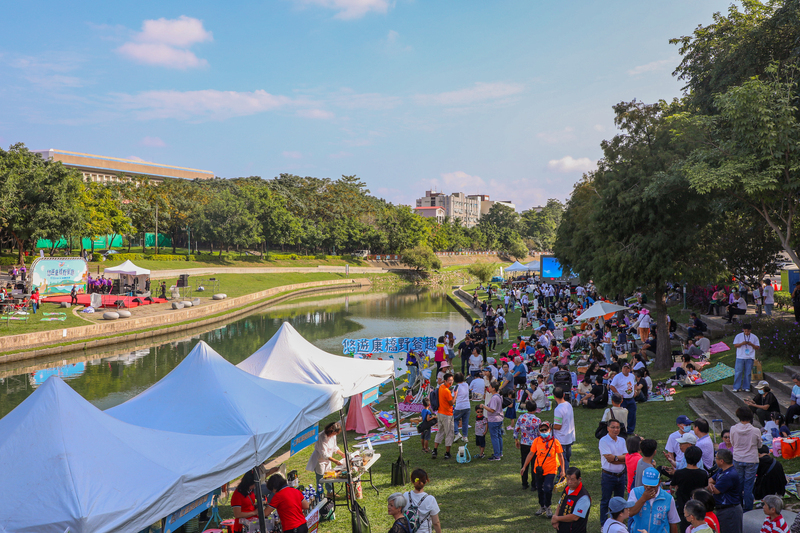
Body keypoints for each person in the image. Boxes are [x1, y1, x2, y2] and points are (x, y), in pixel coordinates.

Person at [521, 420, 565, 518]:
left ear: (550, 429)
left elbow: (561, 456)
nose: (544, 432)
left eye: (546, 429)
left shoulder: (555, 442)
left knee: (548, 488)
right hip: (539, 470)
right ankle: (542, 506)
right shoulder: (536, 441)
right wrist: (524, 466)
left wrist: (563, 470)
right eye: (542, 430)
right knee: (540, 489)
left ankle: (548, 506)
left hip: (551, 470)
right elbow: (531, 454)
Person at [628, 467, 681, 533]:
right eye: (646, 485)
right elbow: (630, 513)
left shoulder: (668, 498)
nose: (649, 488)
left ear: (659, 483)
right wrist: (643, 499)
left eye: (652, 486)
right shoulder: (635, 492)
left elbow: (673, 523)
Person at [671, 446, 709, 533]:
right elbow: (704, 488)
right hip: (698, 506)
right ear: (699, 459)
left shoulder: (679, 473)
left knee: (684, 526)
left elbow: (672, 486)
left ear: (685, 457)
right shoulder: (703, 474)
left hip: (683, 505)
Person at [729, 406, 760, 512]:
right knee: (748, 485)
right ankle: (748, 508)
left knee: (739, 483)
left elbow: (732, 443)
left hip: (738, 458)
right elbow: (759, 445)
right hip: (751, 459)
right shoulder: (755, 430)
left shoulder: (733, 429)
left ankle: (738, 505)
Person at [599, 418, 628, 525]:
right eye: (613, 427)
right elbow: (609, 459)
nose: (616, 430)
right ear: (608, 428)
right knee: (605, 501)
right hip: (608, 476)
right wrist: (620, 459)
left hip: (621, 475)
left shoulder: (622, 440)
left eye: (617, 427)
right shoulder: (603, 441)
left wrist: (615, 458)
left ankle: (618, 522)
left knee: (620, 501)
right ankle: (604, 524)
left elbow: (626, 458)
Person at [707, 449, 743, 533]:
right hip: (725, 510)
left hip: (730, 511)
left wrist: (711, 486)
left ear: (721, 461)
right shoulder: (722, 470)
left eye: (716, 458)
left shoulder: (729, 475)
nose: (715, 460)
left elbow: (715, 491)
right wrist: (711, 484)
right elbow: (710, 480)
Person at [306, 421, 346, 492]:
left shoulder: (333, 436)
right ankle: (320, 494)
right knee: (320, 478)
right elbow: (324, 454)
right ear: (331, 431)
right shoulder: (321, 438)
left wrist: (342, 454)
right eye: (334, 433)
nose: (335, 435)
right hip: (320, 460)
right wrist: (335, 461)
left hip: (328, 459)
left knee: (329, 475)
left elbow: (334, 447)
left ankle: (330, 492)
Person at [551, 467, 591, 533]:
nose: (569, 482)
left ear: (579, 479)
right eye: (568, 479)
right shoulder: (567, 488)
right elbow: (560, 504)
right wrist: (556, 517)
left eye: (572, 479)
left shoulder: (583, 497)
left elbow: (575, 517)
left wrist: (557, 518)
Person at [403, 469, 441, 533]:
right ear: (426, 481)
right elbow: (436, 522)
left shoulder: (405, 495)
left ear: (412, 481)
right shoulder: (430, 499)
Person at [514, 400, 541, 490]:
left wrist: (516, 440)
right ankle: (534, 484)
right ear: (535, 409)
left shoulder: (521, 417)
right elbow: (539, 433)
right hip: (534, 445)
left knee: (524, 463)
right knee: (534, 465)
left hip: (524, 443)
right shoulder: (537, 420)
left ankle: (524, 483)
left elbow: (516, 430)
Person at [432, 373, 455, 459]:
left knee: (440, 432)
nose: (451, 382)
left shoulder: (441, 387)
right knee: (449, 433)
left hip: (440, 413)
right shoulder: (447, 391)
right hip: (447, 415)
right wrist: (455, 395)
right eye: (449, 381)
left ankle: (435, 450)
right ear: (445, 381)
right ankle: (447, 453)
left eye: (452, 380)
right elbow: (451, 403)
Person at [609, 362, 637, 434]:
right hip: (622, 399)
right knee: (621, 415)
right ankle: (621, 430)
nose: (625, 369)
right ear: (622, 368)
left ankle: (630, 430)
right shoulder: (618, 377)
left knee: (632, 414)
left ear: (630, 369)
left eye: (627, 368)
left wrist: (635, 390)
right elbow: (612, 386)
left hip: (631, 398)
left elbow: (635, 383)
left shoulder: (632, 376)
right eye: (624, 368)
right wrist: (618, 394)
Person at [553, 387, 575, 470]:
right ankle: (567, 475)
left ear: (554, 396)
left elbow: (558, 426)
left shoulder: (558, 409)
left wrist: (550, 425)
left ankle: (563, 477)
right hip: (569, 437)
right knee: (567, 458)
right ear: (564, 395)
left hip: (561, 438)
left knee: (562, 460)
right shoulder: (569, 405)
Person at [481, 380, 504, 461]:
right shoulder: (499, 396)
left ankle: (497, 455)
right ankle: (500, 452)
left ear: (493, 388)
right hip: (499, 419)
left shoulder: (494, 398)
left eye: (490, 386)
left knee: (494, 437)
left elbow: (492, 410)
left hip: (494, 420)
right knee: (498, 436)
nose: (489, 388)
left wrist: (483, 406)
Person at [733, 323, 760, 392]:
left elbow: (757, 347)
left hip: (750, 357)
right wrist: (742, 343)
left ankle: (746, 387)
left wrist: (751, 344)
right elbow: (735, 345)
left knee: (748, 373)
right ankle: (736, 387)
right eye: (745, 331)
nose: (746, 332)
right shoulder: (738, 336)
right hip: (740, 356)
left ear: (750, 330)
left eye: (747, 331)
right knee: (738, 372)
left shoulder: (754, 337)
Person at [452, 373, 470, 444]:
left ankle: (457, 433)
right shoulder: (466, 385)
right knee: (465, 422)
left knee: (453, 420)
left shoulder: (456, 387)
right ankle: (465, 436)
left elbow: (453, 396)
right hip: (467, 406)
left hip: (459, 406)